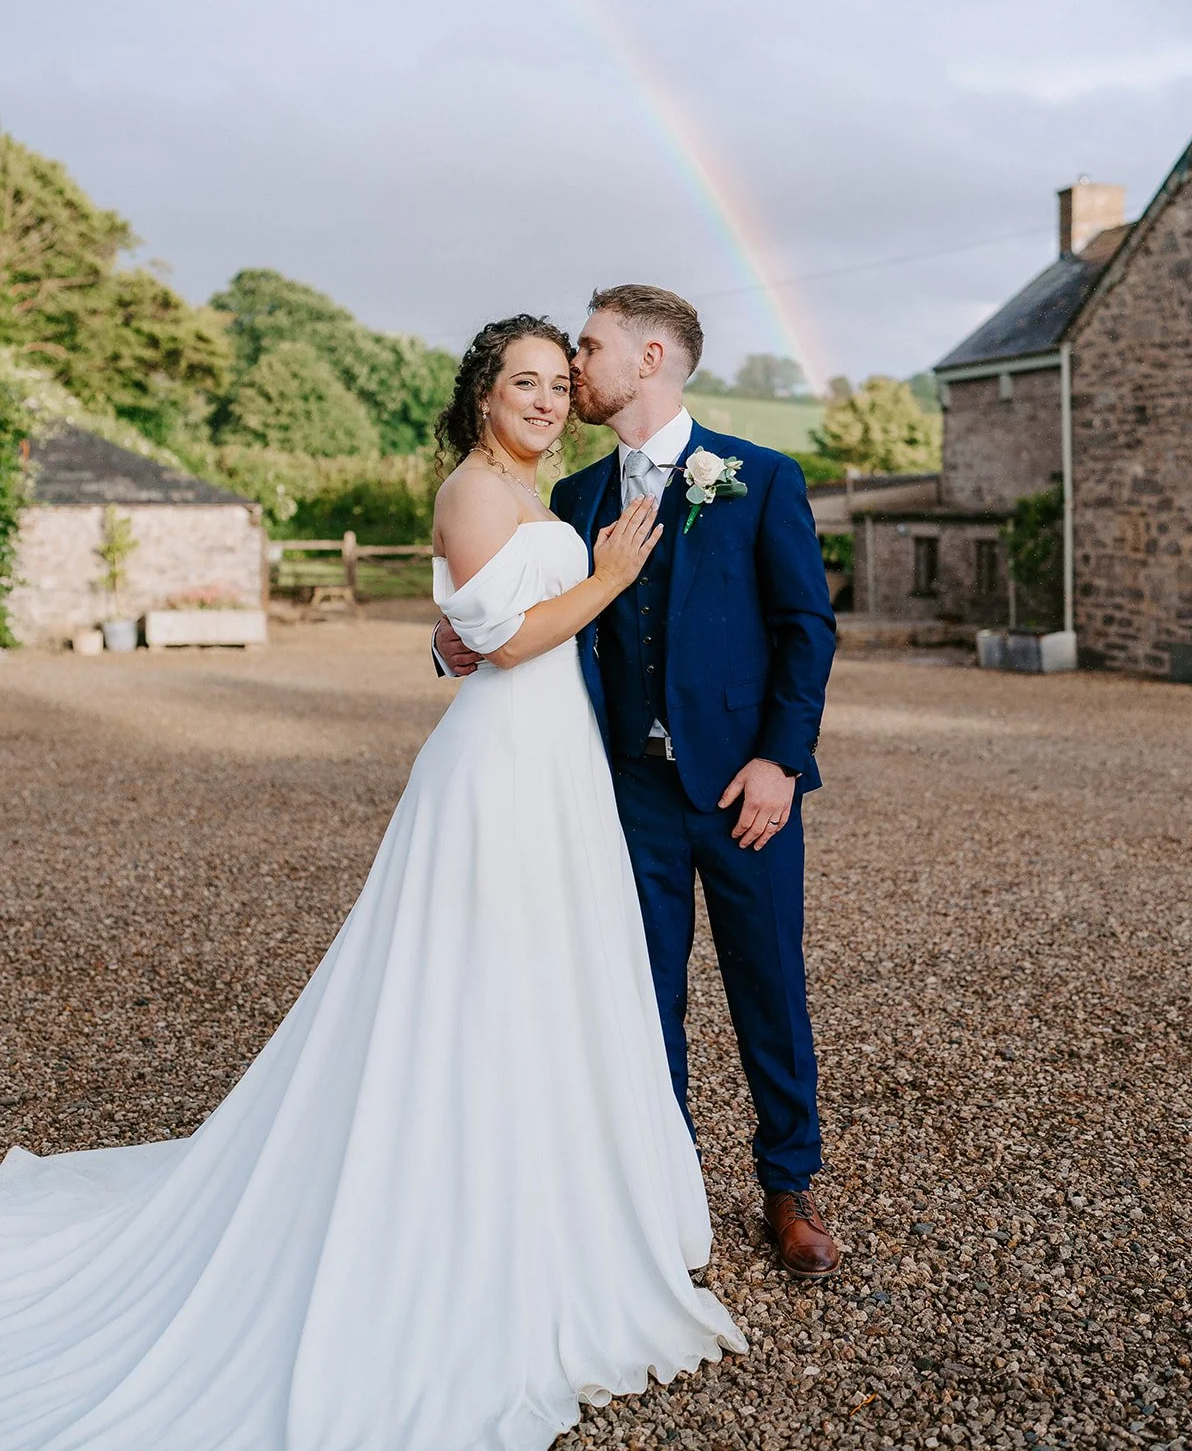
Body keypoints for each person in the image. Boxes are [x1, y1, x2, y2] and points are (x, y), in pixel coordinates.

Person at [0, 315, 744, 1451]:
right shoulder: (473, 491)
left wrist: (569, 592)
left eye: (559, 382)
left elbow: (464, 627)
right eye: (525, 383)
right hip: (499, 767)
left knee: (553, 979)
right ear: (483, 394)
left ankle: (562, 1206)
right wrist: (609, 580)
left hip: (560, 764)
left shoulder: (543, 491)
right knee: (477, 982)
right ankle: (454, 1207)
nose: (547, 400)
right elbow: (495, 643)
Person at [436, 286, 840, 1279]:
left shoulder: (759, 477)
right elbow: (518, 618)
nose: (575, 367)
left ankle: (788, 1186)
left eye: (591, 347)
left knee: (769, 990)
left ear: (652, 357)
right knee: (636, 998)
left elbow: (806, 631)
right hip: (619, 795)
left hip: (743, 792)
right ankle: (665, 1190)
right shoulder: (570, 500)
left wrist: (778, 761)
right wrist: (452, 649)